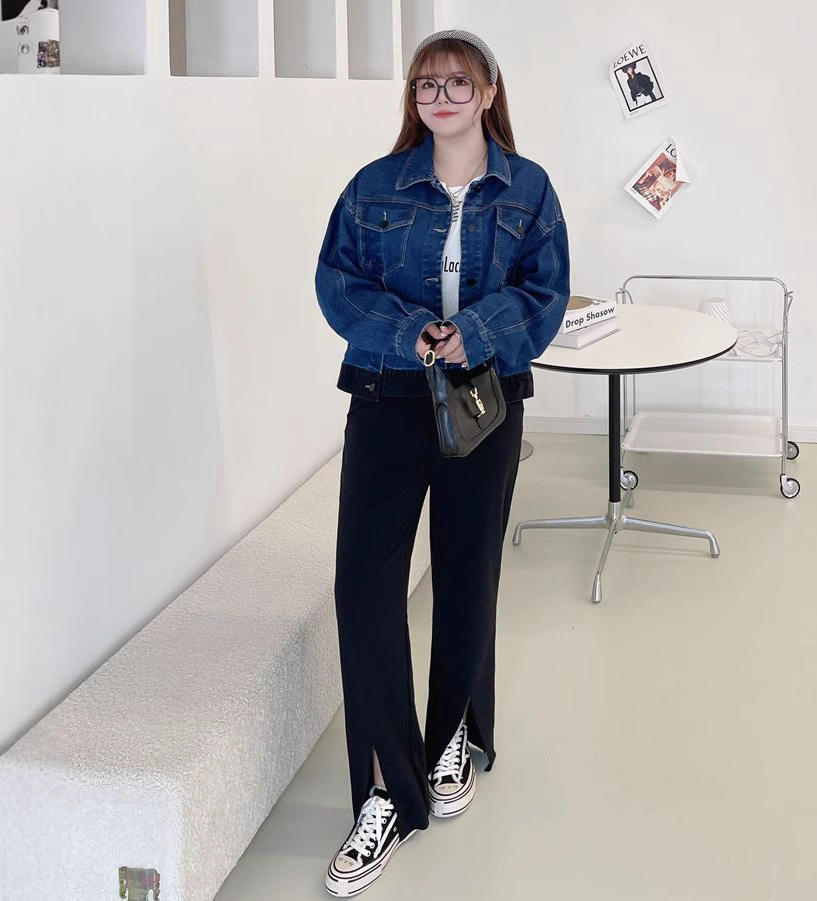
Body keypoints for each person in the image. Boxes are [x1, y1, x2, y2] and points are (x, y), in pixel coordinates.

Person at [314, 27, 570, 897]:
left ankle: (453, 727)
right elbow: (338, 282)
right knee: (363, 587)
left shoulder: (528, 188)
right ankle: (385, 789)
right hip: (386, 394)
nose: (440, 97)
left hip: (483, 397)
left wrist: (476, 332)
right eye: (426, 84)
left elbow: (544, 291)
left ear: (489, 91)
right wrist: (412, 331)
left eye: (458, 82)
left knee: (466, 573)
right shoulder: (373, 185)